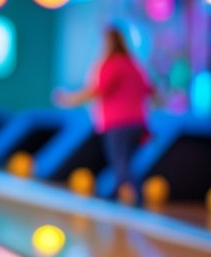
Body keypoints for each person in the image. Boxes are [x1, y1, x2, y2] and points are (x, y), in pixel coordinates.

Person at [54, 24, 153, 203]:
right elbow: (149, 89)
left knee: (120, 161)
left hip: (118, 122)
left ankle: (131, 198)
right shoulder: (133, 65)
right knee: (125, 161)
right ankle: (122, 192)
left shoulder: (111, 64)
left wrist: (69, 99)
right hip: (138, 122)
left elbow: (96, 90)